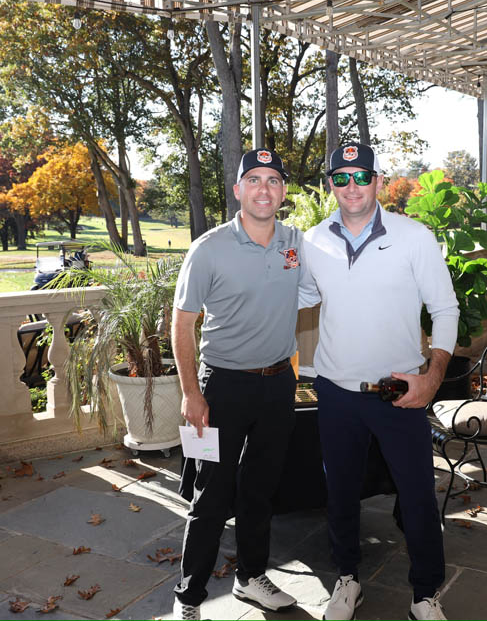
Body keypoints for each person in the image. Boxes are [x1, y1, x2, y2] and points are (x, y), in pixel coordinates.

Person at [299, 142, 459, 621]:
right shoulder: (312, 241)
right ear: (331, 184)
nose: (351, 186)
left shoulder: (414, 237)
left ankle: (425, 594)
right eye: (341, 177)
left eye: (361, 176)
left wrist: (432, 378)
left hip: (399, 393)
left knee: (417, 496)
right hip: (335, 392)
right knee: (340, 493)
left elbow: (445, 308)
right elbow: (299, 297)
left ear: (377, 181)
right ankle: (347, 579)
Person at [170, 148, 301, 621]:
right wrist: (191, 393)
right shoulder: (209, 248)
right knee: (211, 497)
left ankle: (250, 578)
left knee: (260, 491)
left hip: (278, 384)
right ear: (238, 189)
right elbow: (182, 324)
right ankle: (189, 597)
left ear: (282, 192)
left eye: (273, 180)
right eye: (254, 180)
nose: (264, 189)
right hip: (222, 388)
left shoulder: (295, 243)